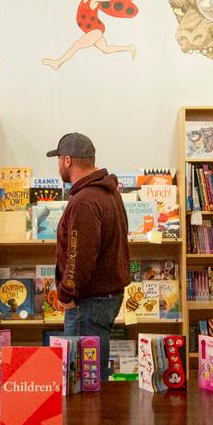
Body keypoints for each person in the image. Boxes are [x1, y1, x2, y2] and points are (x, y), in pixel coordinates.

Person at [49, 131, 131, 349]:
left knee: (82, 376)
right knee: (93, 374)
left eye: (58, 159)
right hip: (105, 297)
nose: (58, 165)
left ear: (67, 160)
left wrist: (66, 293)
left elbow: (80, 255)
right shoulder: (109, 193)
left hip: (88, 301)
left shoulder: (84, 201)